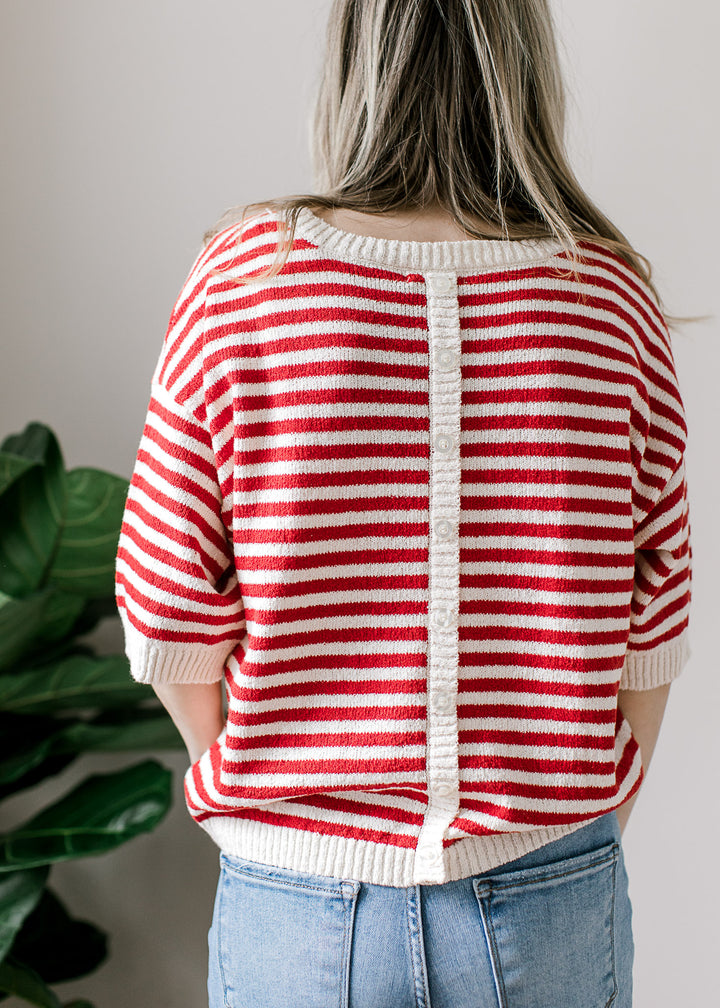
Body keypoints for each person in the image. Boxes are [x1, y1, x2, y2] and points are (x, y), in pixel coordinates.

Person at [114, 1, 692, 1005]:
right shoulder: (606, 293)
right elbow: (655, 616)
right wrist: (561, 828)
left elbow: (164, 606)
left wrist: (265, 793)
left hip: (296, 901)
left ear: (355, 64)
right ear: (525, 67)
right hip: (548, 881)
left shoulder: (249, 277)